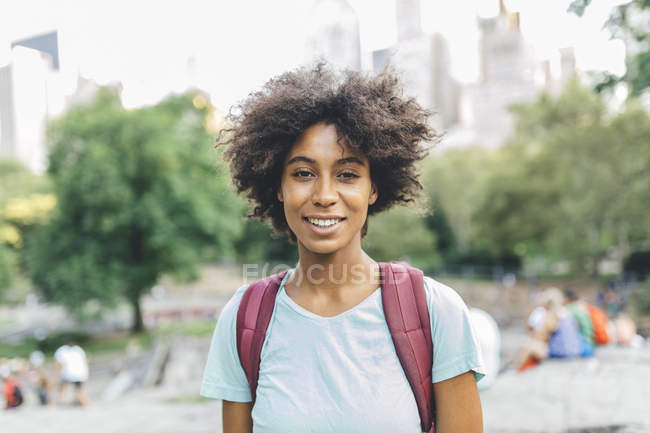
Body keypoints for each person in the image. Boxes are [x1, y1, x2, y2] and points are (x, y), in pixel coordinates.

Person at [200, 64, 485, 433]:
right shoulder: (244, 319)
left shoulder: (436, 312)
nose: (324, 196)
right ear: (279, 187)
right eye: (303, 173)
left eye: (347, 174)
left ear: (373, 188)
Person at [54, 341, 89, 406]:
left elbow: (58, 364)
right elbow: (86, 361)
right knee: (78, 390)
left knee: (65, 387)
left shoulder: (61, 350)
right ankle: (78, 401)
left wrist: (57, 375)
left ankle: (62, 401)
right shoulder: (79, 349)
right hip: (82, 373)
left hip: (69, 373)